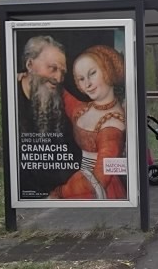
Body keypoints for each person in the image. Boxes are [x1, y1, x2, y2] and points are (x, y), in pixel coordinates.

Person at [49, 45, 127, 199]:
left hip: (96, 189)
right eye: (81, 79)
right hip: (80, 183)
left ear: (108, 70)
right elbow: (66, 99)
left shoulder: (112, 125)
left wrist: (60, 192)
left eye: (92, 73)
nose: (87, 84)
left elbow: (100, 177)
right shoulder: (85, 108)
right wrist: (38, 77)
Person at [17, 35, 81, 198]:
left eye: (62, 72)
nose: (58, 78)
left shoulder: (61, 99)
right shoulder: (11, 98)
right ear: (30, 65)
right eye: (52, 68)